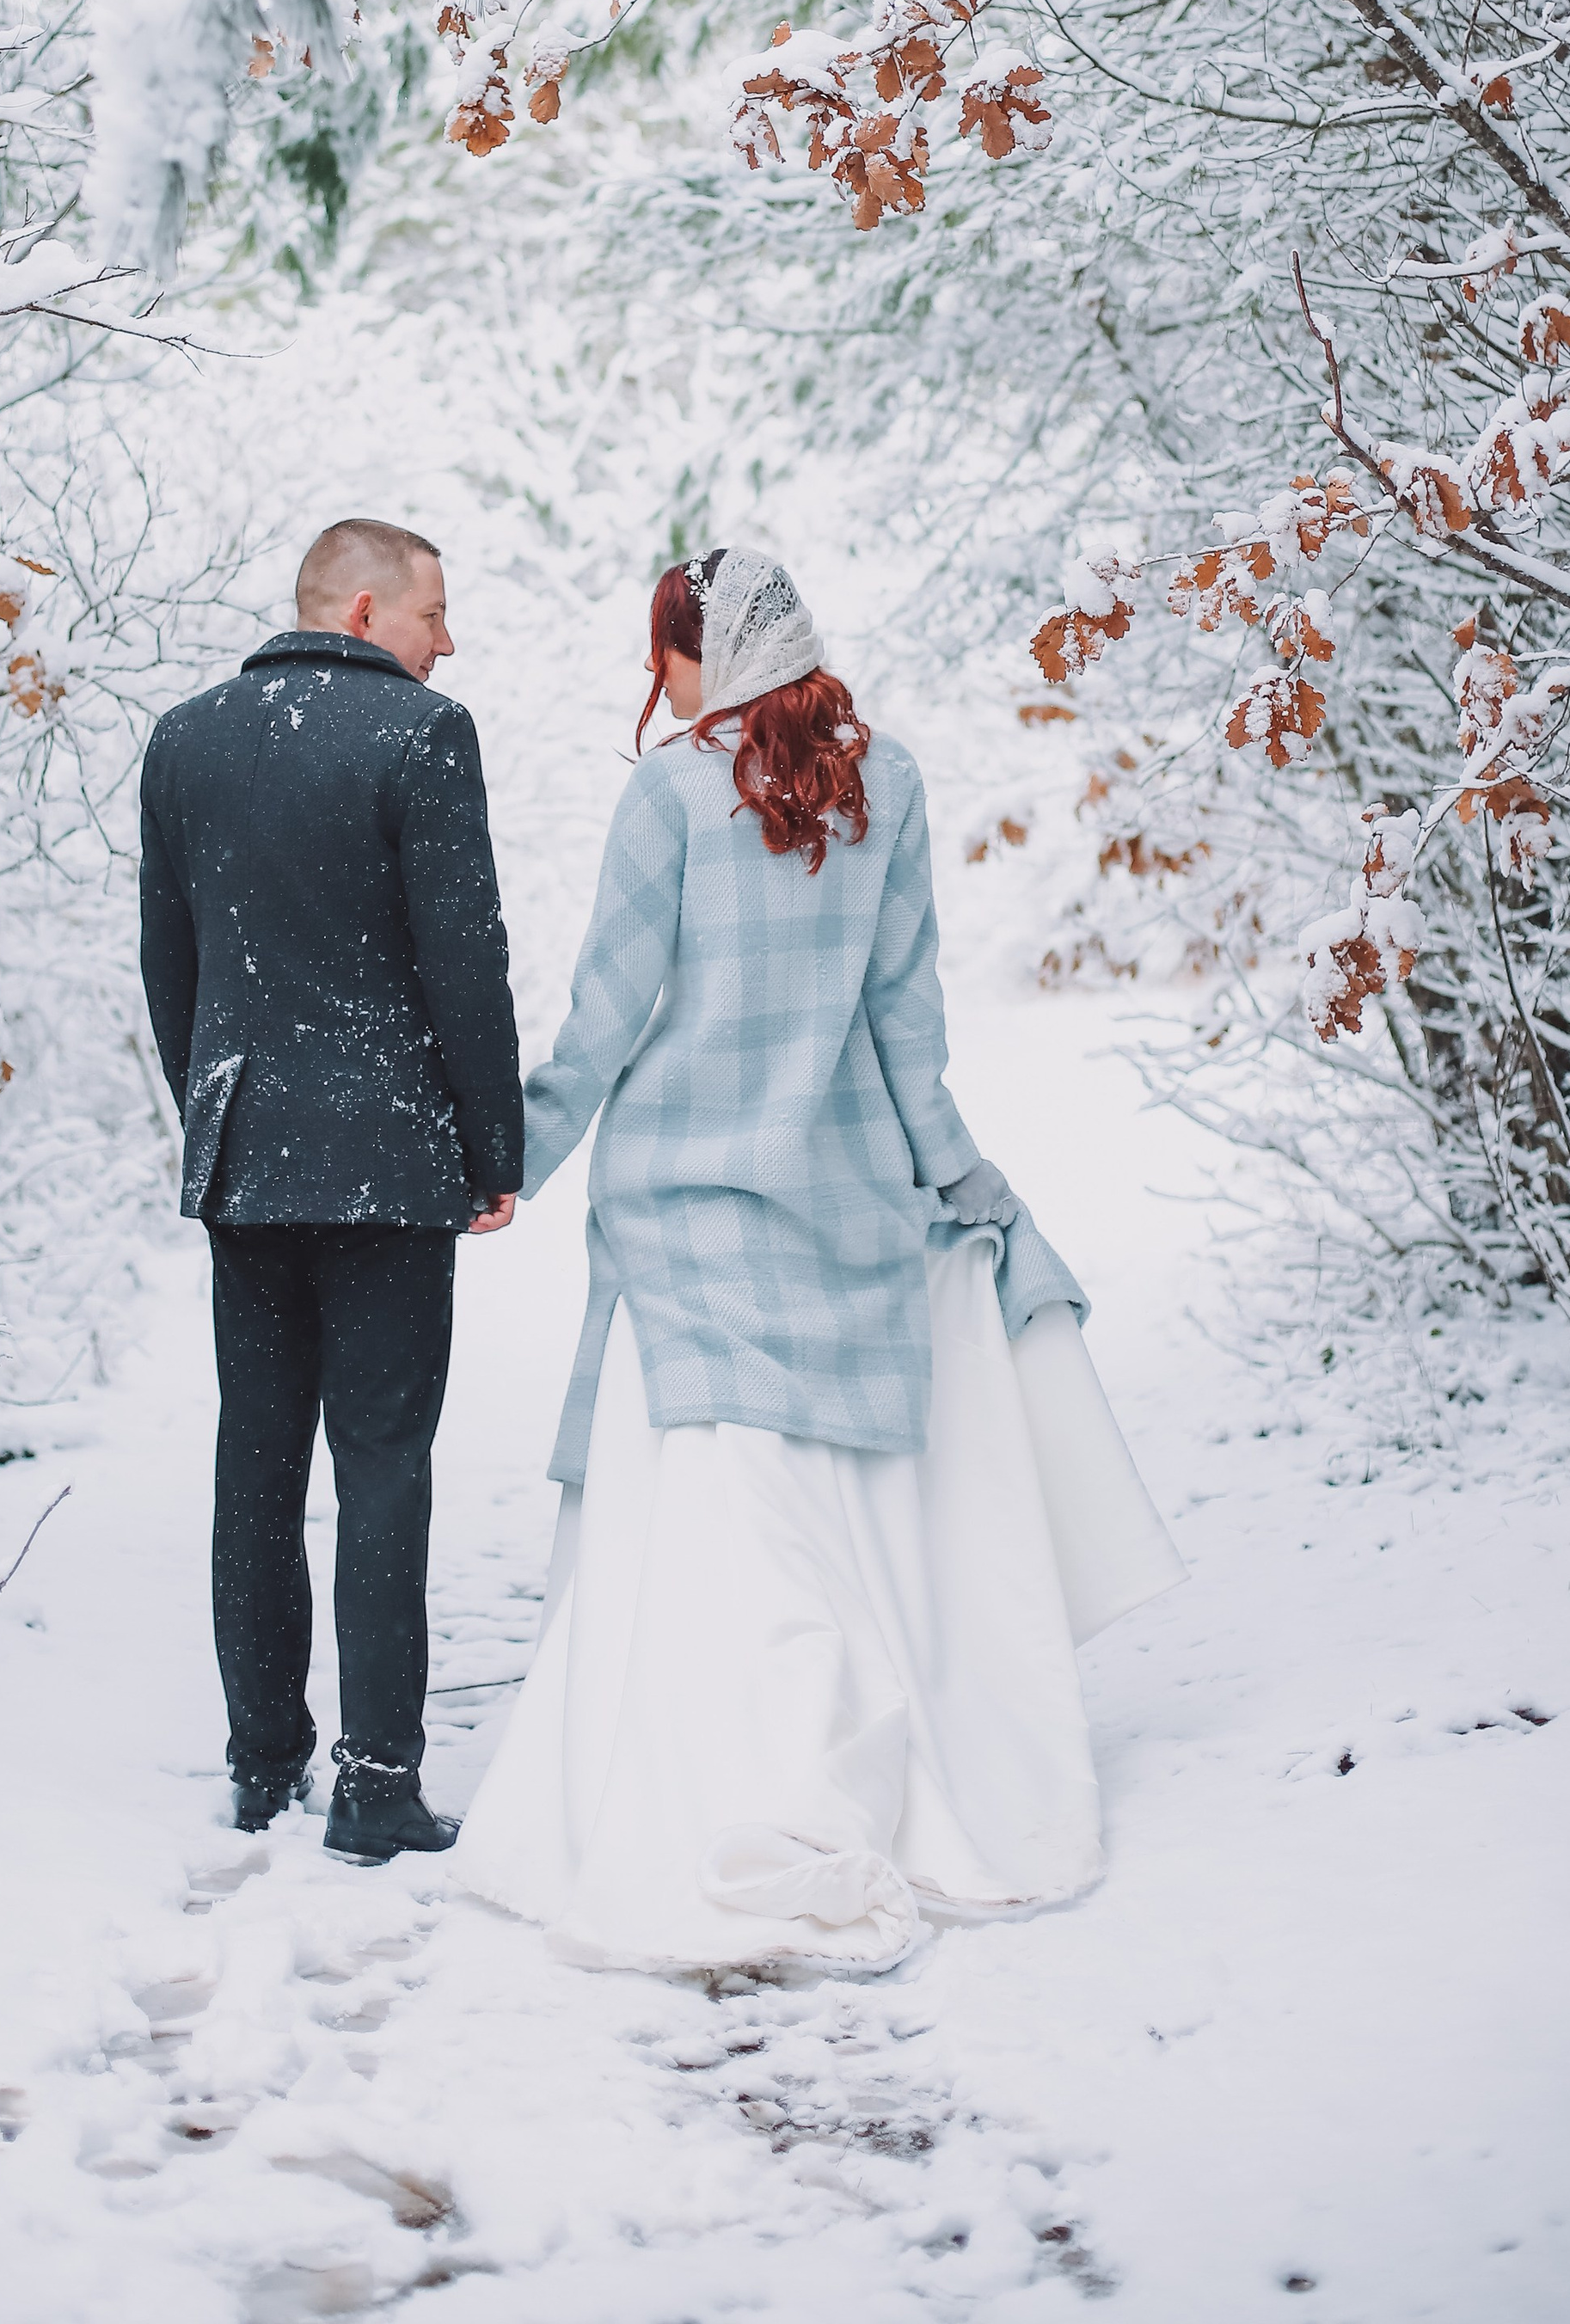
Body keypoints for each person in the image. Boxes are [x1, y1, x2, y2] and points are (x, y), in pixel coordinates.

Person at [456, 545, 1183, 1972]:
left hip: (686, 1200)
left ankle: (753, 1781)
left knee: (736, 1512)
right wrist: (951, 1172)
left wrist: (515, 1166)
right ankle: (858, 1761)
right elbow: (908, 1020)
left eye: (664, 651)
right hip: (847, 1192)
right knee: (820, 1508)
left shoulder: (665, 794)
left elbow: (606, 1014)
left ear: (703, 656)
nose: (656, 682)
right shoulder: (889, 782)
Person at [138, 518, 522, 1864]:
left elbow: (169, 969)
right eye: (435, 613)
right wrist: (494, 1151)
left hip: (247, 1157)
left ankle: (261, 1767)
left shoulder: (183, 739)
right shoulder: (423, 737)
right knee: (382, 1470)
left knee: (254, 1463)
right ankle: (374, 1784)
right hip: (392, 1159)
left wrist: (218, 1119)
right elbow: (464, 962)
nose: (449, 640)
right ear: (365, 611)